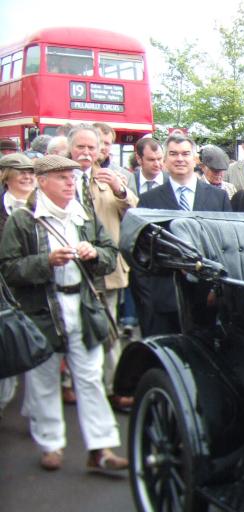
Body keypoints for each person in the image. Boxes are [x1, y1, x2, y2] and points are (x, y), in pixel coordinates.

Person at [0, 154, 128, 473]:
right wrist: (46, 262)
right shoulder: (23, 219)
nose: (70, 183)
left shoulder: (84, 214)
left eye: (71, 178)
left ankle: (101, 448)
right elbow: (8, 269)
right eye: (62, 178)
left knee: (90, 379)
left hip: (82, 307)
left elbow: (110, 254)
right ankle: (51, 444)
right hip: (41, 312)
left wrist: (94, 253)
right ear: (42, 182)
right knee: (43, 380)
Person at [68, 124, 137, 413]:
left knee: (108, 328)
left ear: (100, 151)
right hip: (69, 266)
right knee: (70, 327)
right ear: (70, 148)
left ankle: (114, 388)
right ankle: (71, 383)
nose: (86, 152)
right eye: (80, 147)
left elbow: (133, 212)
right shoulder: (60, 177)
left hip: (105, 267)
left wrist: (120, 190)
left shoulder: (111, 179)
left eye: (91, 147)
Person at [134, 134, 231, 336]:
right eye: (173, 154)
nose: (179, 159)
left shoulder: (218, 198)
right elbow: (143, 252)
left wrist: (218, 289)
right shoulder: (148, 200)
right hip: (166, 297)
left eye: (185, 154)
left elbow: (227, 246)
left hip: (208, 296)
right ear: (165, 159)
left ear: (195, 159)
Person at [0, 152, 37, 419]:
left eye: (31, 171)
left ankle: (35, 409)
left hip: (34, 287)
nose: (26, 176)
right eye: (20, 171)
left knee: (33, 346)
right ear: (6, 176)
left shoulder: (42, 206)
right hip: (4, 287)